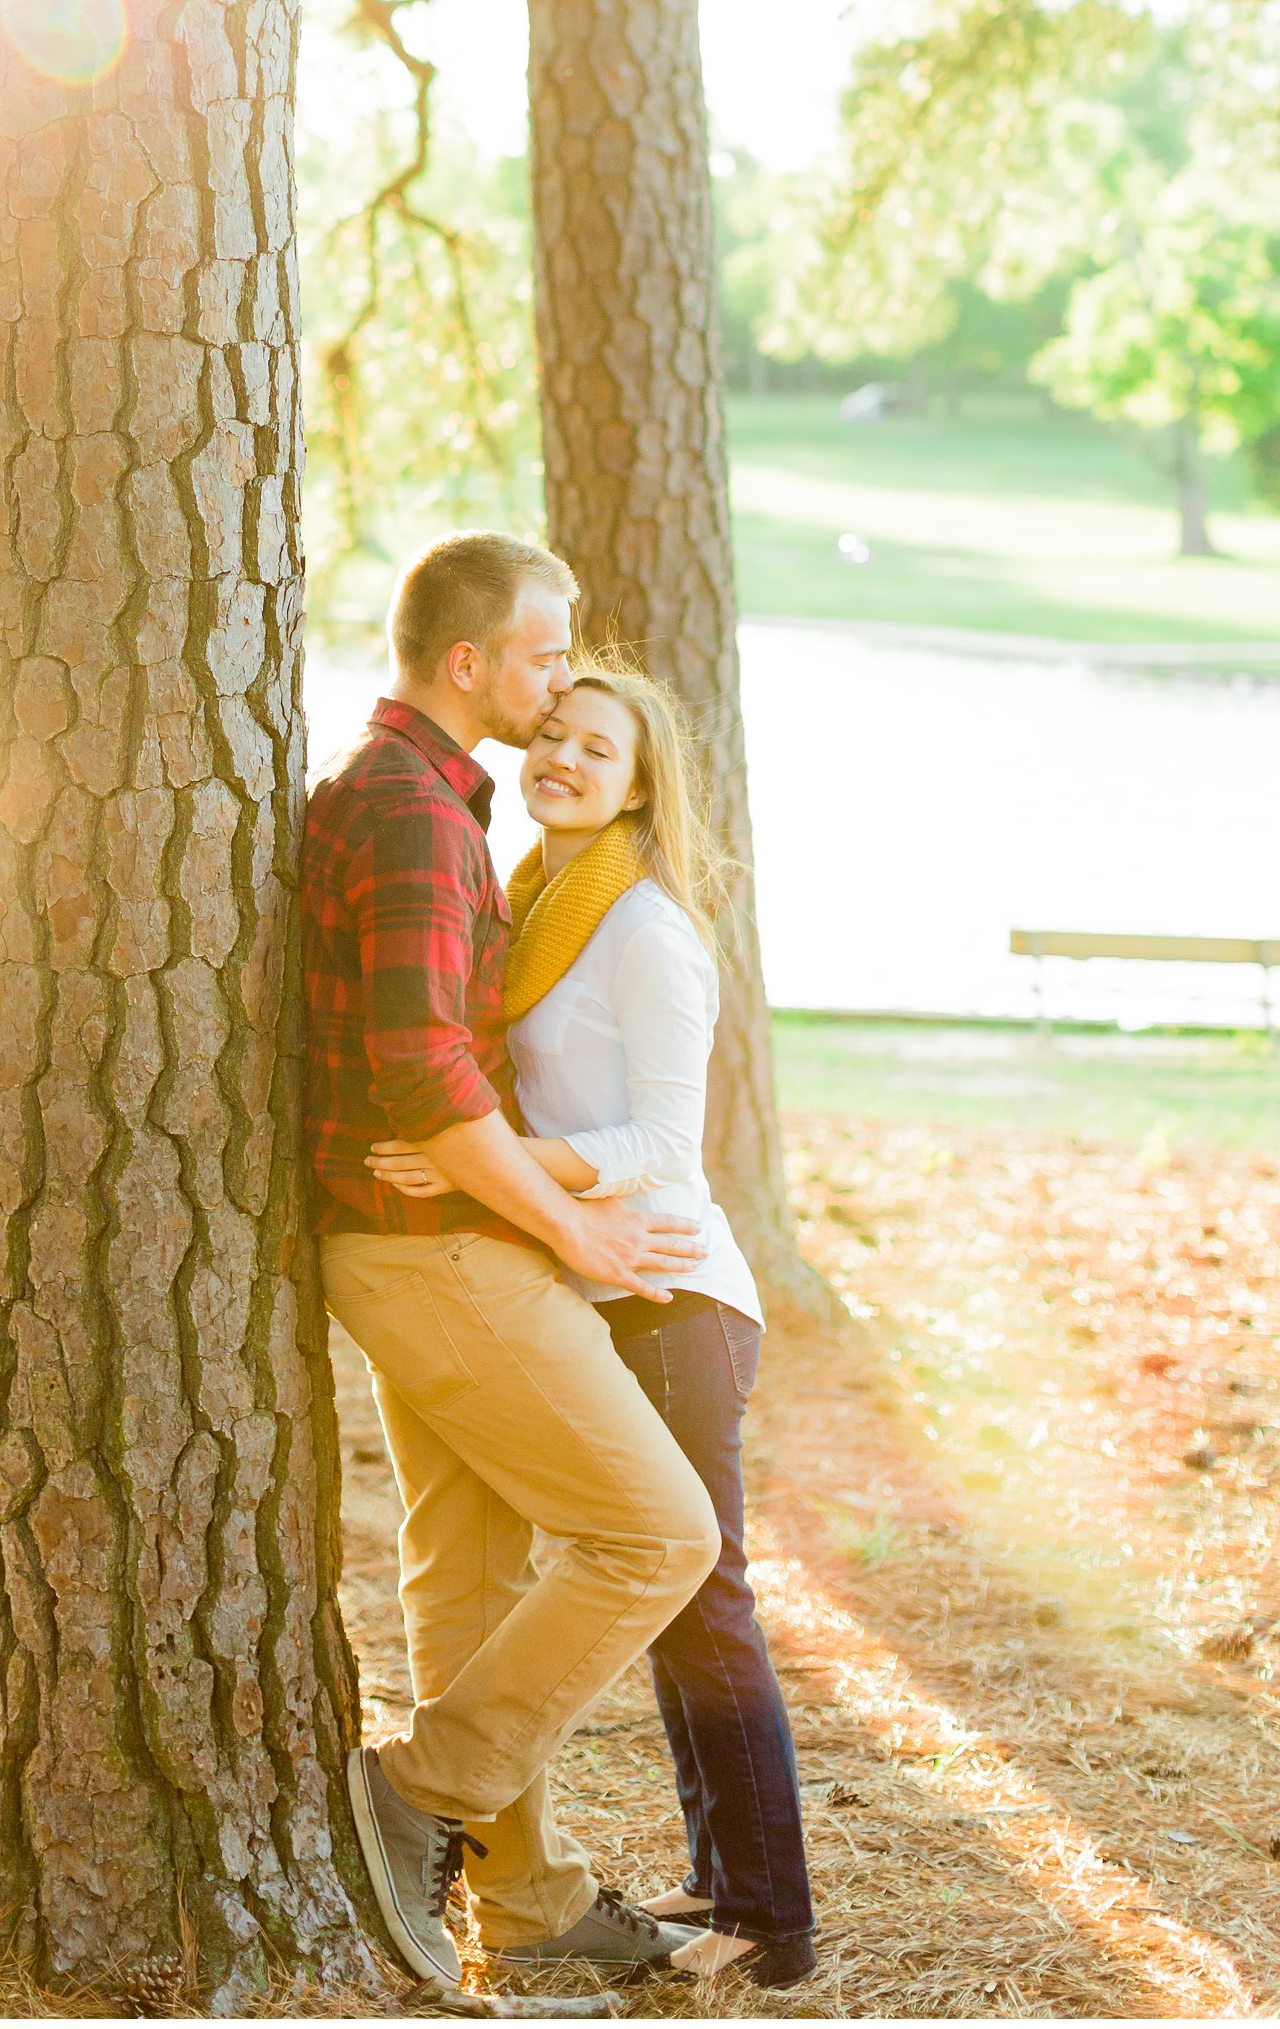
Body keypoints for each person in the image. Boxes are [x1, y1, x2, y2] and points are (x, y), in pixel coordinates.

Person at [303, 532, 722, 1989]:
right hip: (433, 1252)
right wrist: (571, 1219)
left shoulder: (419, 794)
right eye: (547, 657)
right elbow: (423, 1069)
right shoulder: (417, 812)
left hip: (424, 1238)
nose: (557, 689)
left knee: (469, 1576)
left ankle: (528, 1901)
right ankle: (418, 1785)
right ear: (469, 659)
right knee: (660, 1535)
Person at [370, 661, 818, 1989]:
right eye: (551, 735)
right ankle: (723, 1872)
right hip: (590, 1281)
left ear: (639, 782)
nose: (559, 756)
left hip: (675, 1294)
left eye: (594, 747)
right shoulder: (533, 899)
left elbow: (666, 1141)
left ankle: (770, 1912)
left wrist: (480, 1157)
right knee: (668, 1592)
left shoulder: (643, 928)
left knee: (702, 1588)